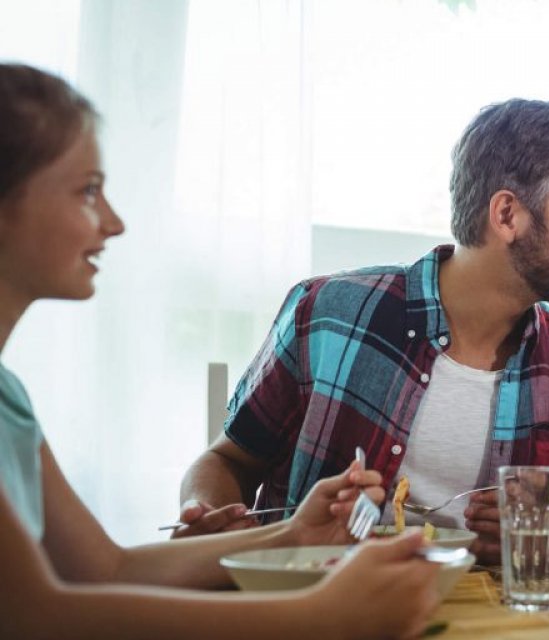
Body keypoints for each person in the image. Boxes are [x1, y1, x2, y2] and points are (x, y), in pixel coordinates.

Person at [0, 62, 443, 639]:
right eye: (87, 191)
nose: (114, 222)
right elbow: (35, 617)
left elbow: (104, 569)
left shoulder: (9, 395)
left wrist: (290, 535)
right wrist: (319, 616)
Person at [177, 98, 549, 565]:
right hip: (310, 609)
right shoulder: (327, 312)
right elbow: (228, 461)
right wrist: (213, 522)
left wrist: (534, 534)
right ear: (507, 215)